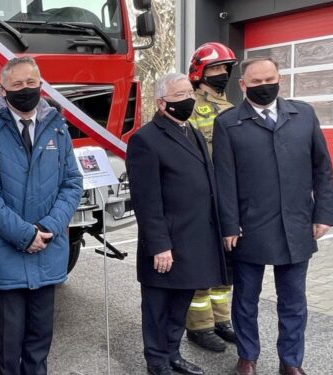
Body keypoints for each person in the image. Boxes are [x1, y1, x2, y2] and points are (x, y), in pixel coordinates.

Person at [213, 57, 333, 375]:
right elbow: (224, 180)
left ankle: (291, 361)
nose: (264, 86)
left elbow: (322, 167)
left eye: (270, 78)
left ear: (279, 78)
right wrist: (228, 225)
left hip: (296, 224)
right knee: (246, 299)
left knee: (294, 301)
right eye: (256, 82)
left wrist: (322, 213)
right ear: (243, 85)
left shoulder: (303, 114)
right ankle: (247, 356)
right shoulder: (227, 123)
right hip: (248, 226)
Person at [0, 56, 83, 375]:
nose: (26, 89)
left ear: (41, 86)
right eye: (17, 84)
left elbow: (72, 182)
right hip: (5, 255)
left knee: (39, 344)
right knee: (9, 347)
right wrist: (24, 234)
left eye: (32, 83)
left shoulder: (57, 127)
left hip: (48, 250)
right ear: (2, 90)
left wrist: (48, 228)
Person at [126, 72, 227, 375]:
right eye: (179, 96)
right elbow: (147, 200)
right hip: (166, 243)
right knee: (158, 308)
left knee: (180, 304)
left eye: (189, 94)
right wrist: (159, 245)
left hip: (195, 239)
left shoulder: (191, 131)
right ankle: (157, 361)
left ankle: (173, 354)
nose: (188, 100)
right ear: (161, 103)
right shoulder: (145, 139)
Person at [184, 42, 238, 352]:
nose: (220, 74)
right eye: (215, 69)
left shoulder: (231, 107)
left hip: (228, 200)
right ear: (200, 72)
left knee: (225, 265)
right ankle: (199, 327)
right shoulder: (189, 105)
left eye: (224, 69)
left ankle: (221, 320)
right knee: (202, 266)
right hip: (202, 200)